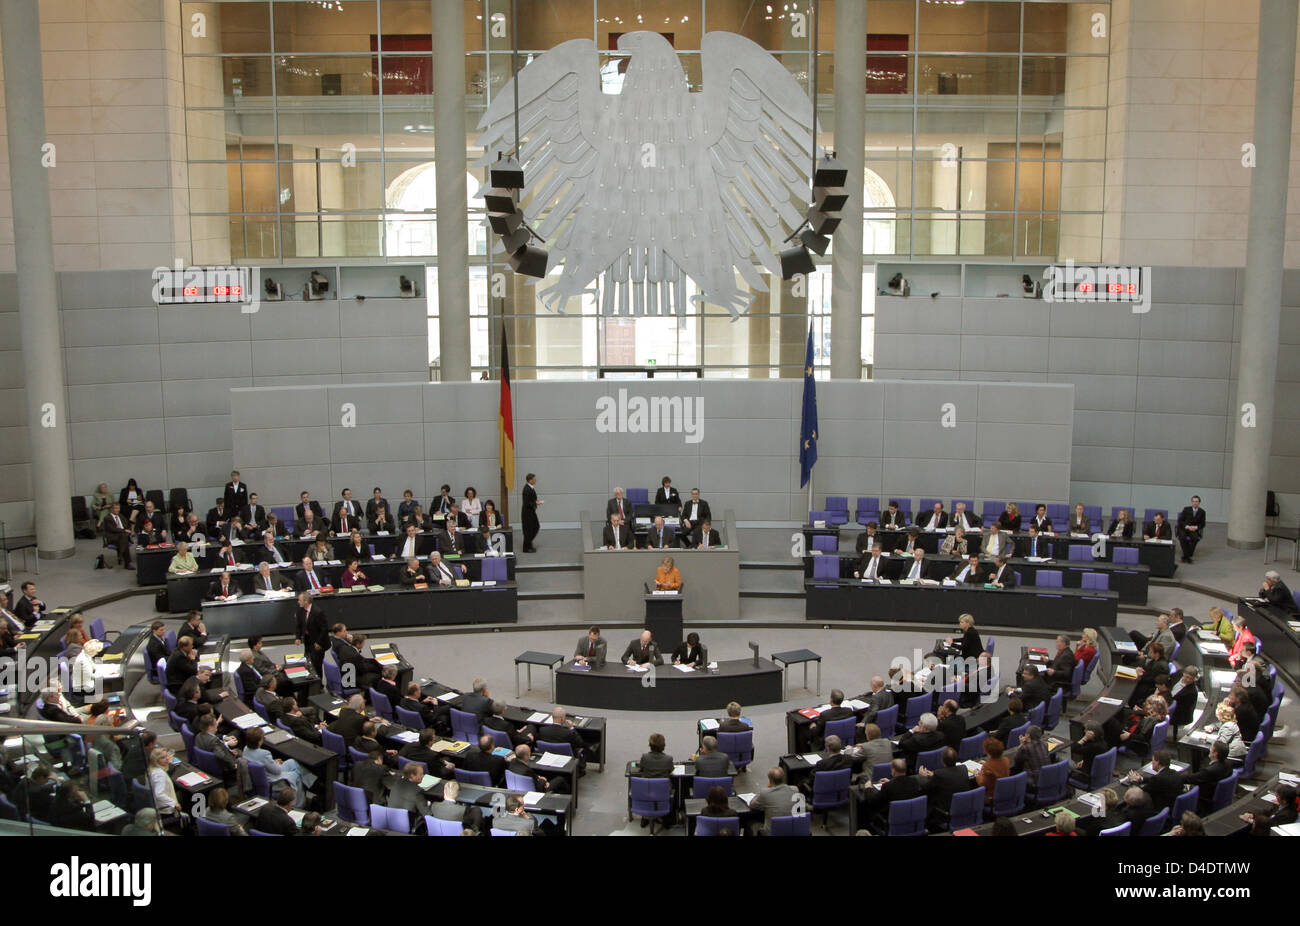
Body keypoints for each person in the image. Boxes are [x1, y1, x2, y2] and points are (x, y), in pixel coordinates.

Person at [748, 767, 797, 835]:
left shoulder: (765, 793)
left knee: (750, 823)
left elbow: (752, 805)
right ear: (783, 778)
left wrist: (767, 788)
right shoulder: (795, 790)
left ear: (770, 781)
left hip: (772, 833)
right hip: (792, 831)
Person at [1011, 725, 1051, 790]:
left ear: (1028, 735)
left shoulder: (1025, 748)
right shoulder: (1045, 744)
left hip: (1033, 783)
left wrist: (1021, 744)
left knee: (1015, 771)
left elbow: (1016, 760)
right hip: (1045, 778)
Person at [976, 736, 1010, 805]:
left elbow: (982, 784)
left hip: (992, 796)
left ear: (988, 752)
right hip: (1005, 791)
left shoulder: (987, 766)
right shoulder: (1006, 760)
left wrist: (977, 774)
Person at [101, 503, 133, 567]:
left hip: (122, 536)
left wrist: (128, 530)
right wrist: (124, 531)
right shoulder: (107, 518)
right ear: (111, 509)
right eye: (116, 508)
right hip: (113, 537)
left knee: (124, 538)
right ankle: (126, 562)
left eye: (118, 508)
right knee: (125, 539)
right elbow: (113, 529)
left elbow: (127, 524)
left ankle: (121, 556)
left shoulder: (121, 516)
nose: (118, 510)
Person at [1176, 495, 1206, 563]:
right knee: (1182, 537)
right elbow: (1180, 521)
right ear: (1192, 502)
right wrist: (1187, 527)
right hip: (1184, 528)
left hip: (1193, 529)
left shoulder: (1202, 512)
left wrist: (1196, 527)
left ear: (1199, 502)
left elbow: (1203, 523)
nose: (1195, 503)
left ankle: (1185, 556)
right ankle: (1188, 556)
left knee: (1195, 538)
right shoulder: (1186, 509)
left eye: (1196, 501)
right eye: (1193, 501)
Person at [521, 473, 541, 552]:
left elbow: (531, 500)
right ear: (530, 480)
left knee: (535, 527)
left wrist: (535, 501)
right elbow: (527, 503)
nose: (535, 480)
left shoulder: (530, 488)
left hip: (531, 512)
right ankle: (526, 547)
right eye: (534, 479)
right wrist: (536, 503)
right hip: (527, 513)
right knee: (529, 529)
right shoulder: (527, 489)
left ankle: (529, 543)